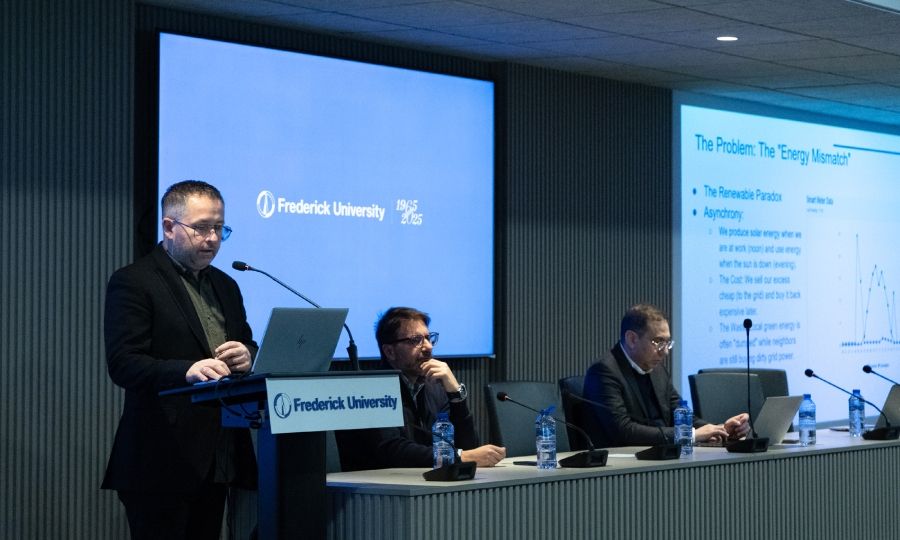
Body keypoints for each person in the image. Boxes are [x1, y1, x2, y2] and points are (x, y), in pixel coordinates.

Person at [101, 180, 257, 539]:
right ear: (169, 227)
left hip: (218, 455)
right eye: (201, 228)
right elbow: (124, 363)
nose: (213, 239)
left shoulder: (227, 285)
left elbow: (246, 340)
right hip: (160, 459)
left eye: (219, 228)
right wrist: (186, 370)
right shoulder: (135, 281)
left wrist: (247, 354)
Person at [336, 307, 506, 471]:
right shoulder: (373, 391)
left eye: (428, 338)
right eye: (415, 340)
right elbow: (393, 450)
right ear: (389, 352)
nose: (428, 347)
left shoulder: (434, 388)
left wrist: (456, 395)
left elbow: (467, 447)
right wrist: (459, 457)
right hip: (377, 487)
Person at [583, 303, 750, 447]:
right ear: (632, 339)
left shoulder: (658, 371)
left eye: (667, 342)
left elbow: (681, 416)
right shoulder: (604, 371)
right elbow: (624, 431)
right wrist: (690, 435)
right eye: (658, 342)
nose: (665, 352)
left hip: (662, 457)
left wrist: (720, 429)